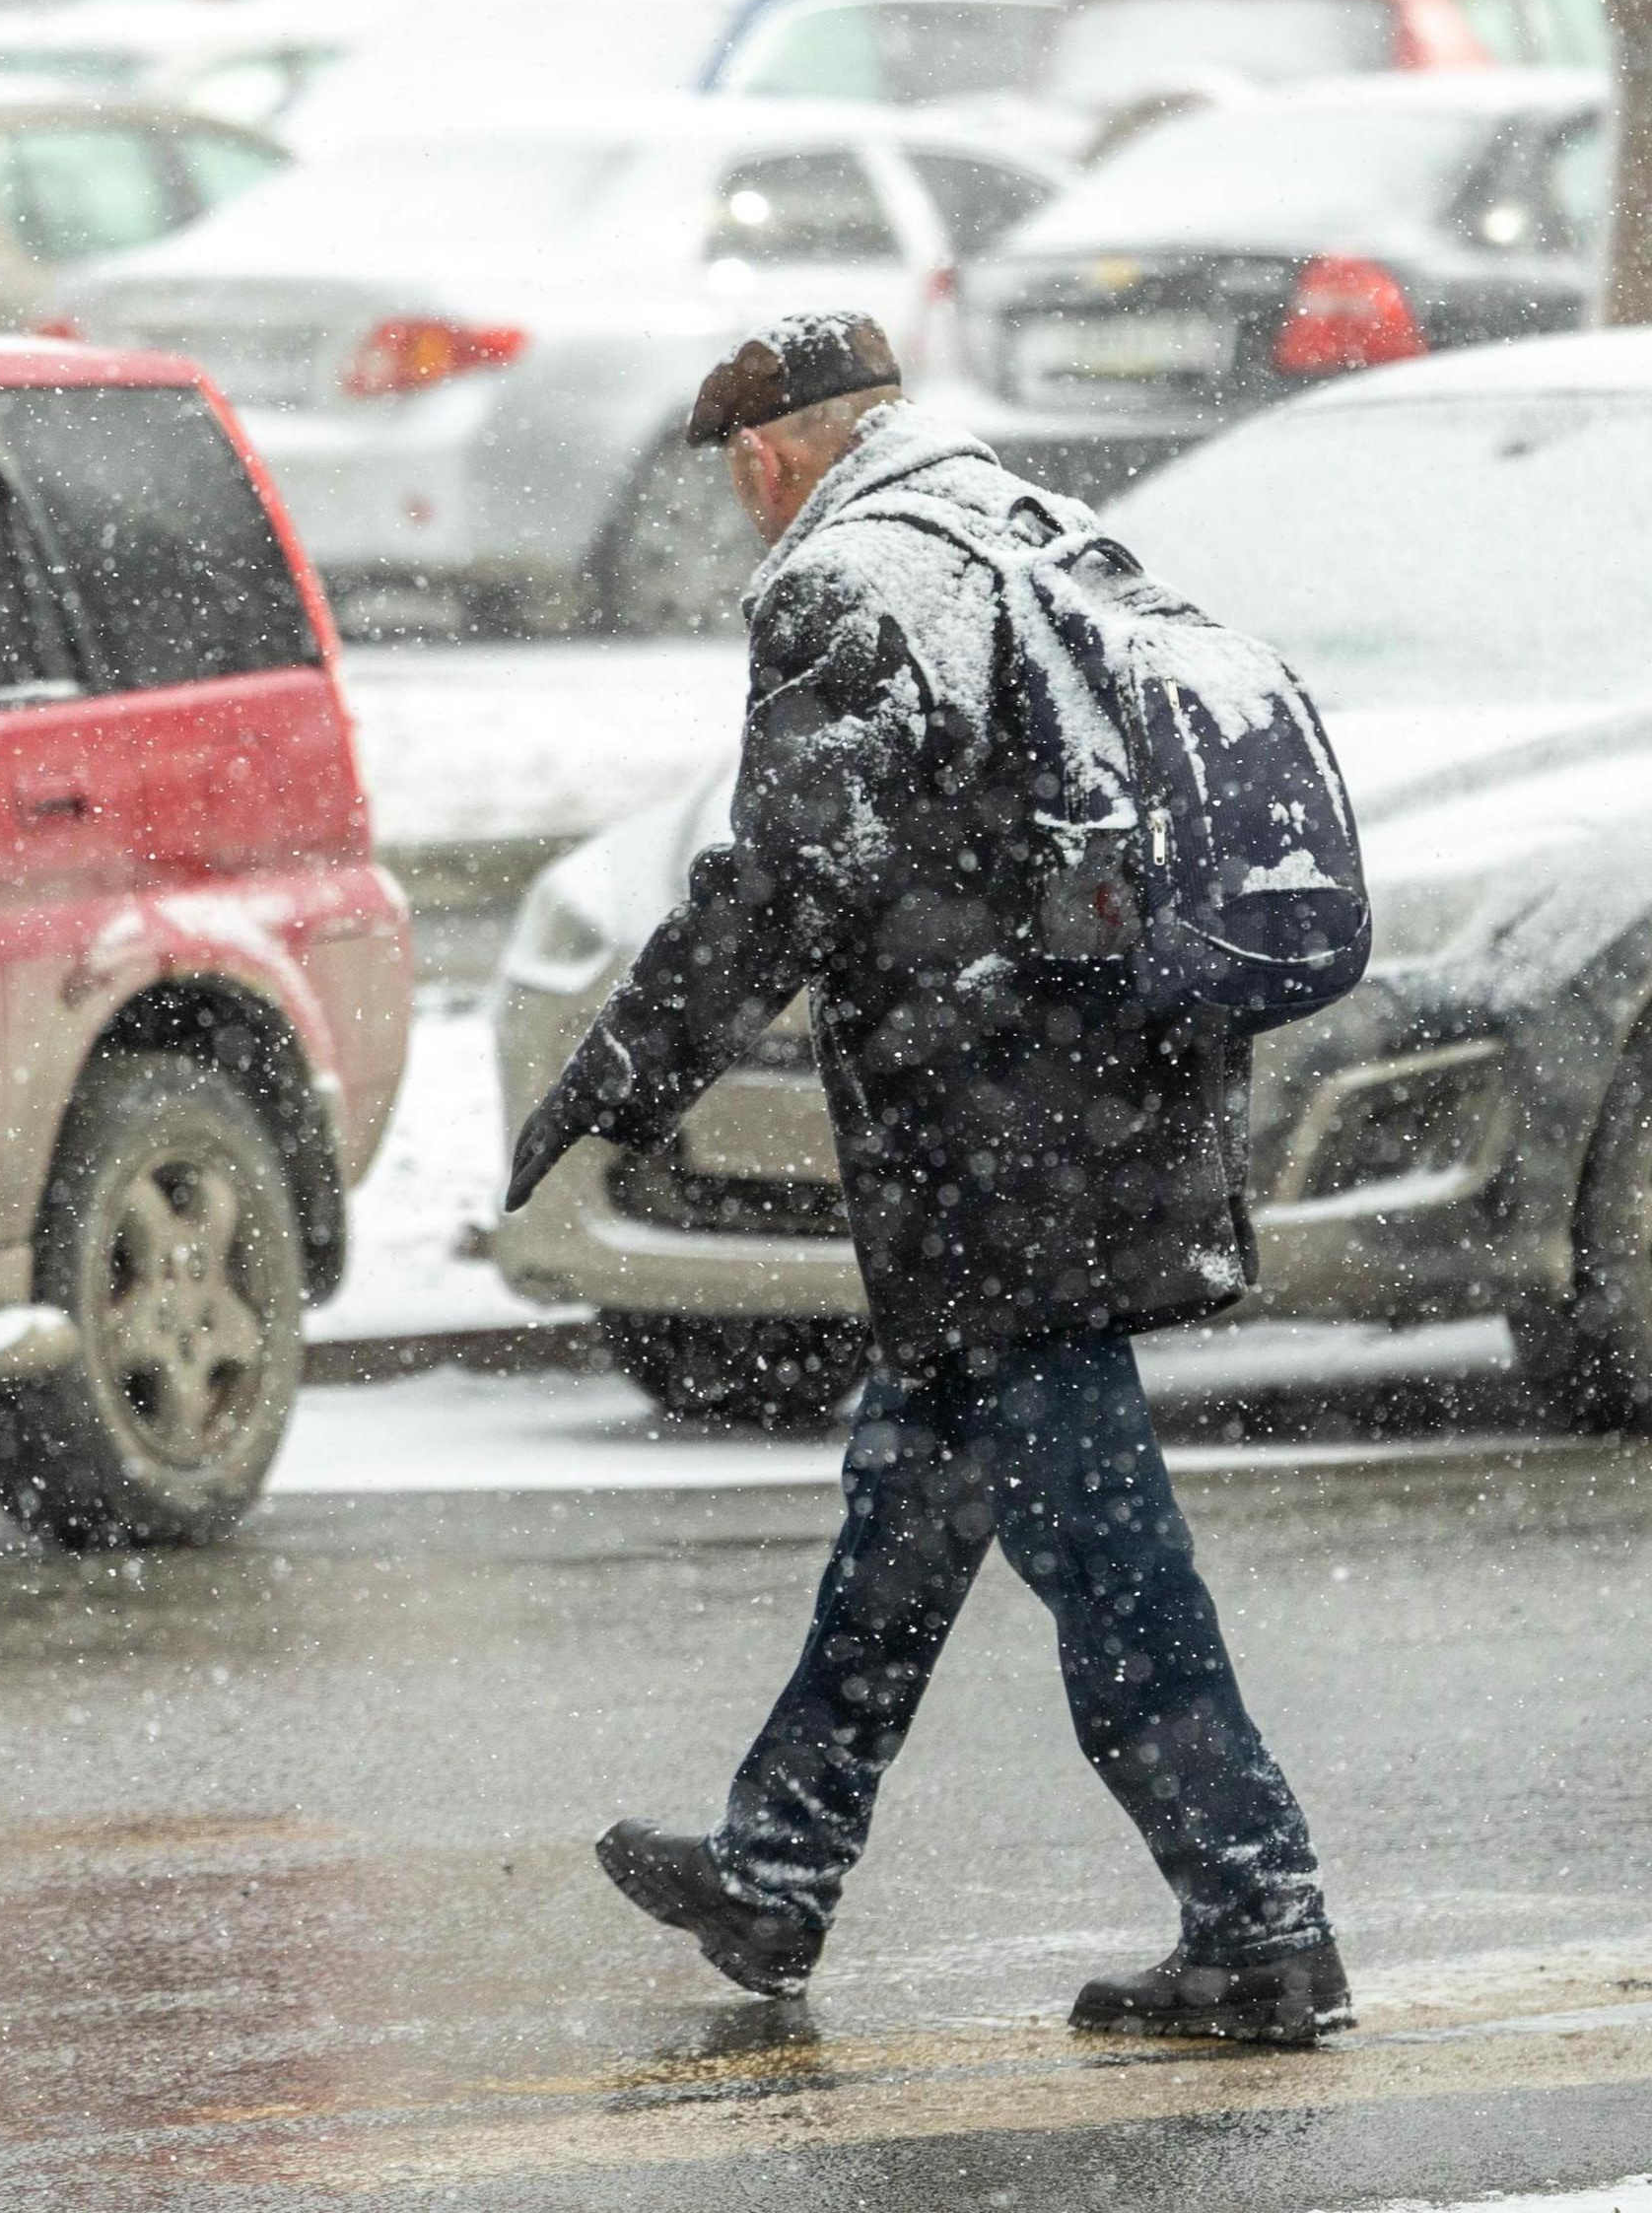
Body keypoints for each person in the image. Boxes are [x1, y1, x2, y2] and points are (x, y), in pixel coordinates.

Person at [504, 311, 1346, 2047]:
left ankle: (1260, 1919)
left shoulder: (859, 581)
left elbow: (790, 873)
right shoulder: (1024, 533)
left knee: (1110, 1564)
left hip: (1001, 1157)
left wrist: (631, 1065)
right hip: (1092, 1115)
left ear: (762, 459)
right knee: (907, 1515)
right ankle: (777, 1871)